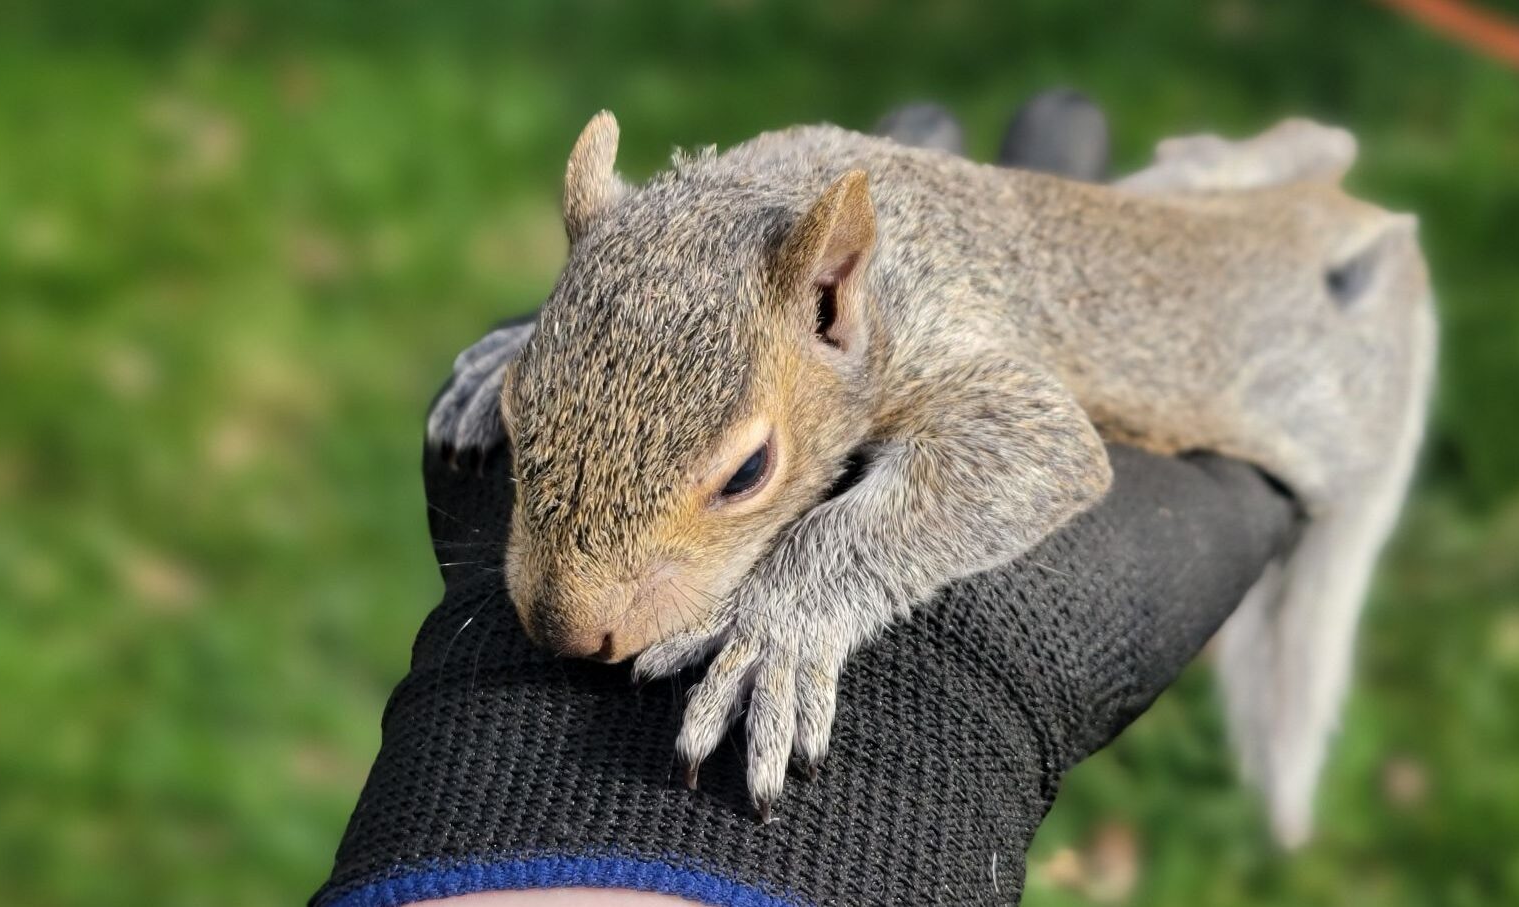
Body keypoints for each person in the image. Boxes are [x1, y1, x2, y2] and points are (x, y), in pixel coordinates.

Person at [309, 94, 1301, 907]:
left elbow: (1046, 450)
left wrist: (803, 600)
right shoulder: (642, 250)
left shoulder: (894, 319)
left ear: (834, 297)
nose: (568, 617)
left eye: (741, 473)